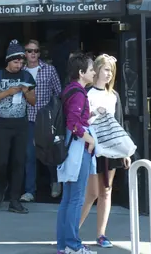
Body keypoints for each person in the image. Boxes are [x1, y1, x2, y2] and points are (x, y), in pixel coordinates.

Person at [79, 54, 131, 248]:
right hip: (91, 146)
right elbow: (79, 120)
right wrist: (94, 113)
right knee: (91, 193)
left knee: (106, 191)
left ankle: (101, 234)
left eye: (111, 70)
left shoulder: (114, 95)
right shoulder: (86, 92)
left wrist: (125, 152)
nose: (109, 74)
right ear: (97, 70)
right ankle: (72, 231)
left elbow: (119, 124)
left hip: (110, 146)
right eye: (106, 69)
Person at [0, 39, 37, 213]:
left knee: (19, 162)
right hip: (2, 125)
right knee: (1, 162)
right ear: (8, 60)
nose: (19, 65)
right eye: (16, 62)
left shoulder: (26, 77)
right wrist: (7, 92)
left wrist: (26, 92)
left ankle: (14, 200)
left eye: (21, 62)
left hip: (21, 126)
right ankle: (2, 185)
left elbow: (33, 101)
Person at [56, 53, 97, 254]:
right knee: (76, 198)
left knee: (68, 198)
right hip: (77, 149)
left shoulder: (69, 90)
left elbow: (74, 119)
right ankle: (73, 244)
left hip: (69, 148)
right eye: (91, 69)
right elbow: (73, 124)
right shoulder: (79, 93)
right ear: (81, 73)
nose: (94, 72)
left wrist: (90, 116)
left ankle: (63, 245)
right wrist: (91, 140)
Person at [21, 39, 63, 203]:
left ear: (39, 53)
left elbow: (58, 93)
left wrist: (55, 116)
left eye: (36, 51)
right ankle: (30, 190)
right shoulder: (21, 71)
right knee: (29, 155)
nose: (33, 54)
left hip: (46, 120)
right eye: (29, 51)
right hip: (28, 119)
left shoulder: (49, 70)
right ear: (25, 53)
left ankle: (55, 181)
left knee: (48, 153)